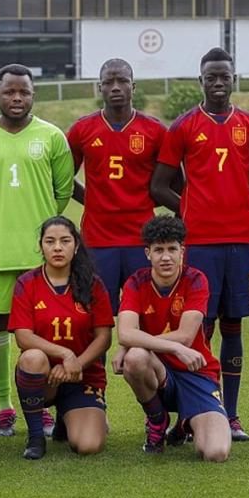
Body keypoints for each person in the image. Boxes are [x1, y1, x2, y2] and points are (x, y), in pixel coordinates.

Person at [150, 47, 249, 441]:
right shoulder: (184, 126)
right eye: (211, 77)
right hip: (200, 242)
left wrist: (235, 205)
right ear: (200, 81)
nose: (218, 83)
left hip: (240, 240)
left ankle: (231, 414)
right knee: (199, 326)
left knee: (234, 323)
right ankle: (192, 412)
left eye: (224, 76)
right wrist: (191, 210)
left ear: (233, 78)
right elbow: (160, 184)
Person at [0, 64, 74, 436]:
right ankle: (5, 405)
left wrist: (45, 233)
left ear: (32, 95)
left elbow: (63, 192)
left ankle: (39, 404)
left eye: (23, 92)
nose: (16, 98)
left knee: (39, 333)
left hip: (41, 255)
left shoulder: (53, 136)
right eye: (9, 91)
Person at [116, 215, 230, 462]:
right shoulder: (136, 282)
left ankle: (184, 425)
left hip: (196, 372)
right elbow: (124, 332)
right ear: (148, 253)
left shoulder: (196, 279)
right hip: (159, 370)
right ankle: (158, 420)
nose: (165, 257)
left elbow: (186, 337)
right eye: (158, 250)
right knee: (135, 358)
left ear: (182, 251)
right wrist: (135, 345)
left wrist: (132, 343)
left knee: (215, 452)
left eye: (172, 249)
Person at [67, 58, 168, 315]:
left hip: (141, 237)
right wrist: (91, 199)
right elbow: (64, 178)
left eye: (122, 81)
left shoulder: (154, 130)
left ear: (133, 87)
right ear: (99, 88)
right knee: (95, 315)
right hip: (98, 239)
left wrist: (145, 201)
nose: (115, 87)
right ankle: (96, 358)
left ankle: (139, 358)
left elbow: (171, 181)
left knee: (145, 313)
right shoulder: (82, 129)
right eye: (108, 82)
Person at [8, 217, 113, 459]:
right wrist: (65, 355)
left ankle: (67, 421)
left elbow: (104, 337)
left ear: (76, 246)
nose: (57, 247)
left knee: (88, 446)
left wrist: (77, 364)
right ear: (41, 246)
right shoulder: (27, 283)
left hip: (83, 375)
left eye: (65, 241)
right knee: (32, 358)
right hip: (45, 377)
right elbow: (23, 337)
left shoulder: (92, 284)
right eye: (50, 241)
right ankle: (35, 436)